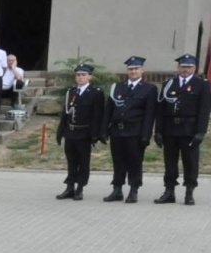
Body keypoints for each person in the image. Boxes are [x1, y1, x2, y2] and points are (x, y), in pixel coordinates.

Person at [155, 54, 211, 205]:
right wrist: (158, 131)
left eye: (189, 67)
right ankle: (169, 191)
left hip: (189, 130)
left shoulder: (202, 85)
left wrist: (201, 131)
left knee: (190, 162)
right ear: (178, 67)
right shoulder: (168, 84)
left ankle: (189, 192)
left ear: (194, 68)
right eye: (183, 66)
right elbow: (160, 109)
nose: (186, 69)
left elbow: (204, 110)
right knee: (170, 163)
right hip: (170, 129)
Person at [104, 56, 158, 203]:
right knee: (118, 162)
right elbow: (109, 109)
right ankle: (117, 189)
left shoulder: (149, 89)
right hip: (117, 131)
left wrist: (146, 135)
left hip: (135, 132)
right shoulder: (118, 87)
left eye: (136, 68)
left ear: (142, 70)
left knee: (134, 162)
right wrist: (104, 130)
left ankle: (134, 190)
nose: (133, 71)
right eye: (130, 69)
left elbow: (149, 114)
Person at [55, 62, 105, 200]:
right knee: (71, 161)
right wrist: (60, 132)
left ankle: (80, 188)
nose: (80, 77)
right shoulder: (70, 92)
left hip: (84, 133)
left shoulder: (95, 93)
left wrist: (95, 134)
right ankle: (69, 187)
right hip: (70, 132)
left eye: (83, 75)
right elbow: (65, 114)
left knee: (83, 162)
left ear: (90, 77)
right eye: (78, 75)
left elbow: (97, 115)